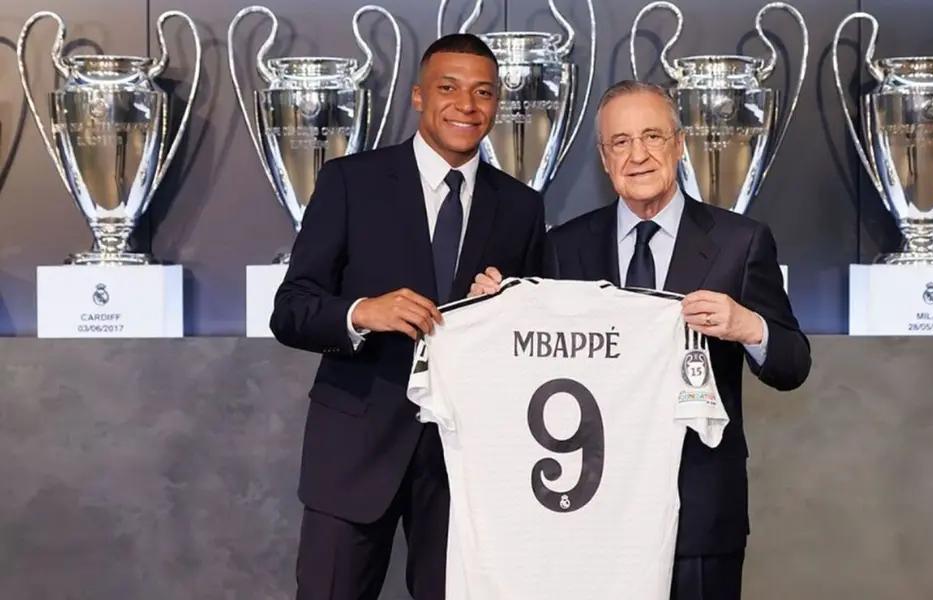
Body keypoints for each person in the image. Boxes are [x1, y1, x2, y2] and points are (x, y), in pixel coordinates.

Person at [471, 80, 810, 599]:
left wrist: (747, 326)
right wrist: (494, 308)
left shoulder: (741, 242)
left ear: (678, 145)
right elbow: (531, 359)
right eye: (621, 142)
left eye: (652, 136)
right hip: (591, 509)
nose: (638, 155)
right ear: (605, 160)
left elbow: (793, 363)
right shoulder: (564, 248)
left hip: (698, 511)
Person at [270, 34, 545, 600]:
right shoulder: (350, 182)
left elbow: (530, 340)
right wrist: (362, 312)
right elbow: (292, 309)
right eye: (449, 88)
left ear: (497, 103)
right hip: (354, 452)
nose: (466, 106)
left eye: (483, 92)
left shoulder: (521, 206)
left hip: (465, 461)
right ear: (419, 96)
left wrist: (507, 306)